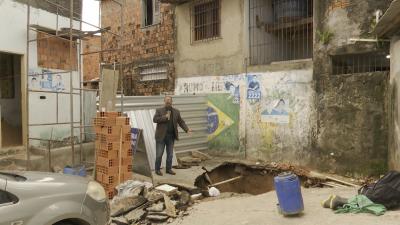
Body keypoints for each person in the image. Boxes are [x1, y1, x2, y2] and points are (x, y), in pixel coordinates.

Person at [153, 96, 192, 176]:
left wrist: (187, 129)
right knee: (159, 154)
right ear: (164, 101)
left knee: (170, 154)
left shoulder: (176, 112)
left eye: (169, 100)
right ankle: (157, 170)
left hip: (171, 137)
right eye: (166, 100)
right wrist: (165, 117)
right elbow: (155, 119)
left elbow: (181, 122)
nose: (168, 101)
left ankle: (168, 169)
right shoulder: (159, 110)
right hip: (161, 137)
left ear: (172, 102)